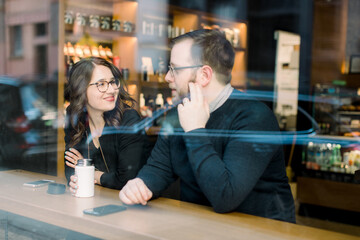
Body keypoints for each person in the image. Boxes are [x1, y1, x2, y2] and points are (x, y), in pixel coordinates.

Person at [119, 29, 296, 223]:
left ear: (204, 75)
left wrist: (195, 130)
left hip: (261, 232)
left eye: (174, 69)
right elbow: (159, 168)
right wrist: (139, 185)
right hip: (201, 227)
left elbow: (225, 197)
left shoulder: (255, 118)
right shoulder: (178, 112)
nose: (167, 77)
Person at [64, 57, 149, 192]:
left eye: (112, 82)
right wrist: (77, 179)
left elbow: (127, 180)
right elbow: (70, 168)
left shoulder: (128, 119)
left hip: (132, 204)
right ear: (81, 89)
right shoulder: (74, 115)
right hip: (95, 198)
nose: (111, 90)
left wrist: (89, 172)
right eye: (101, 84)